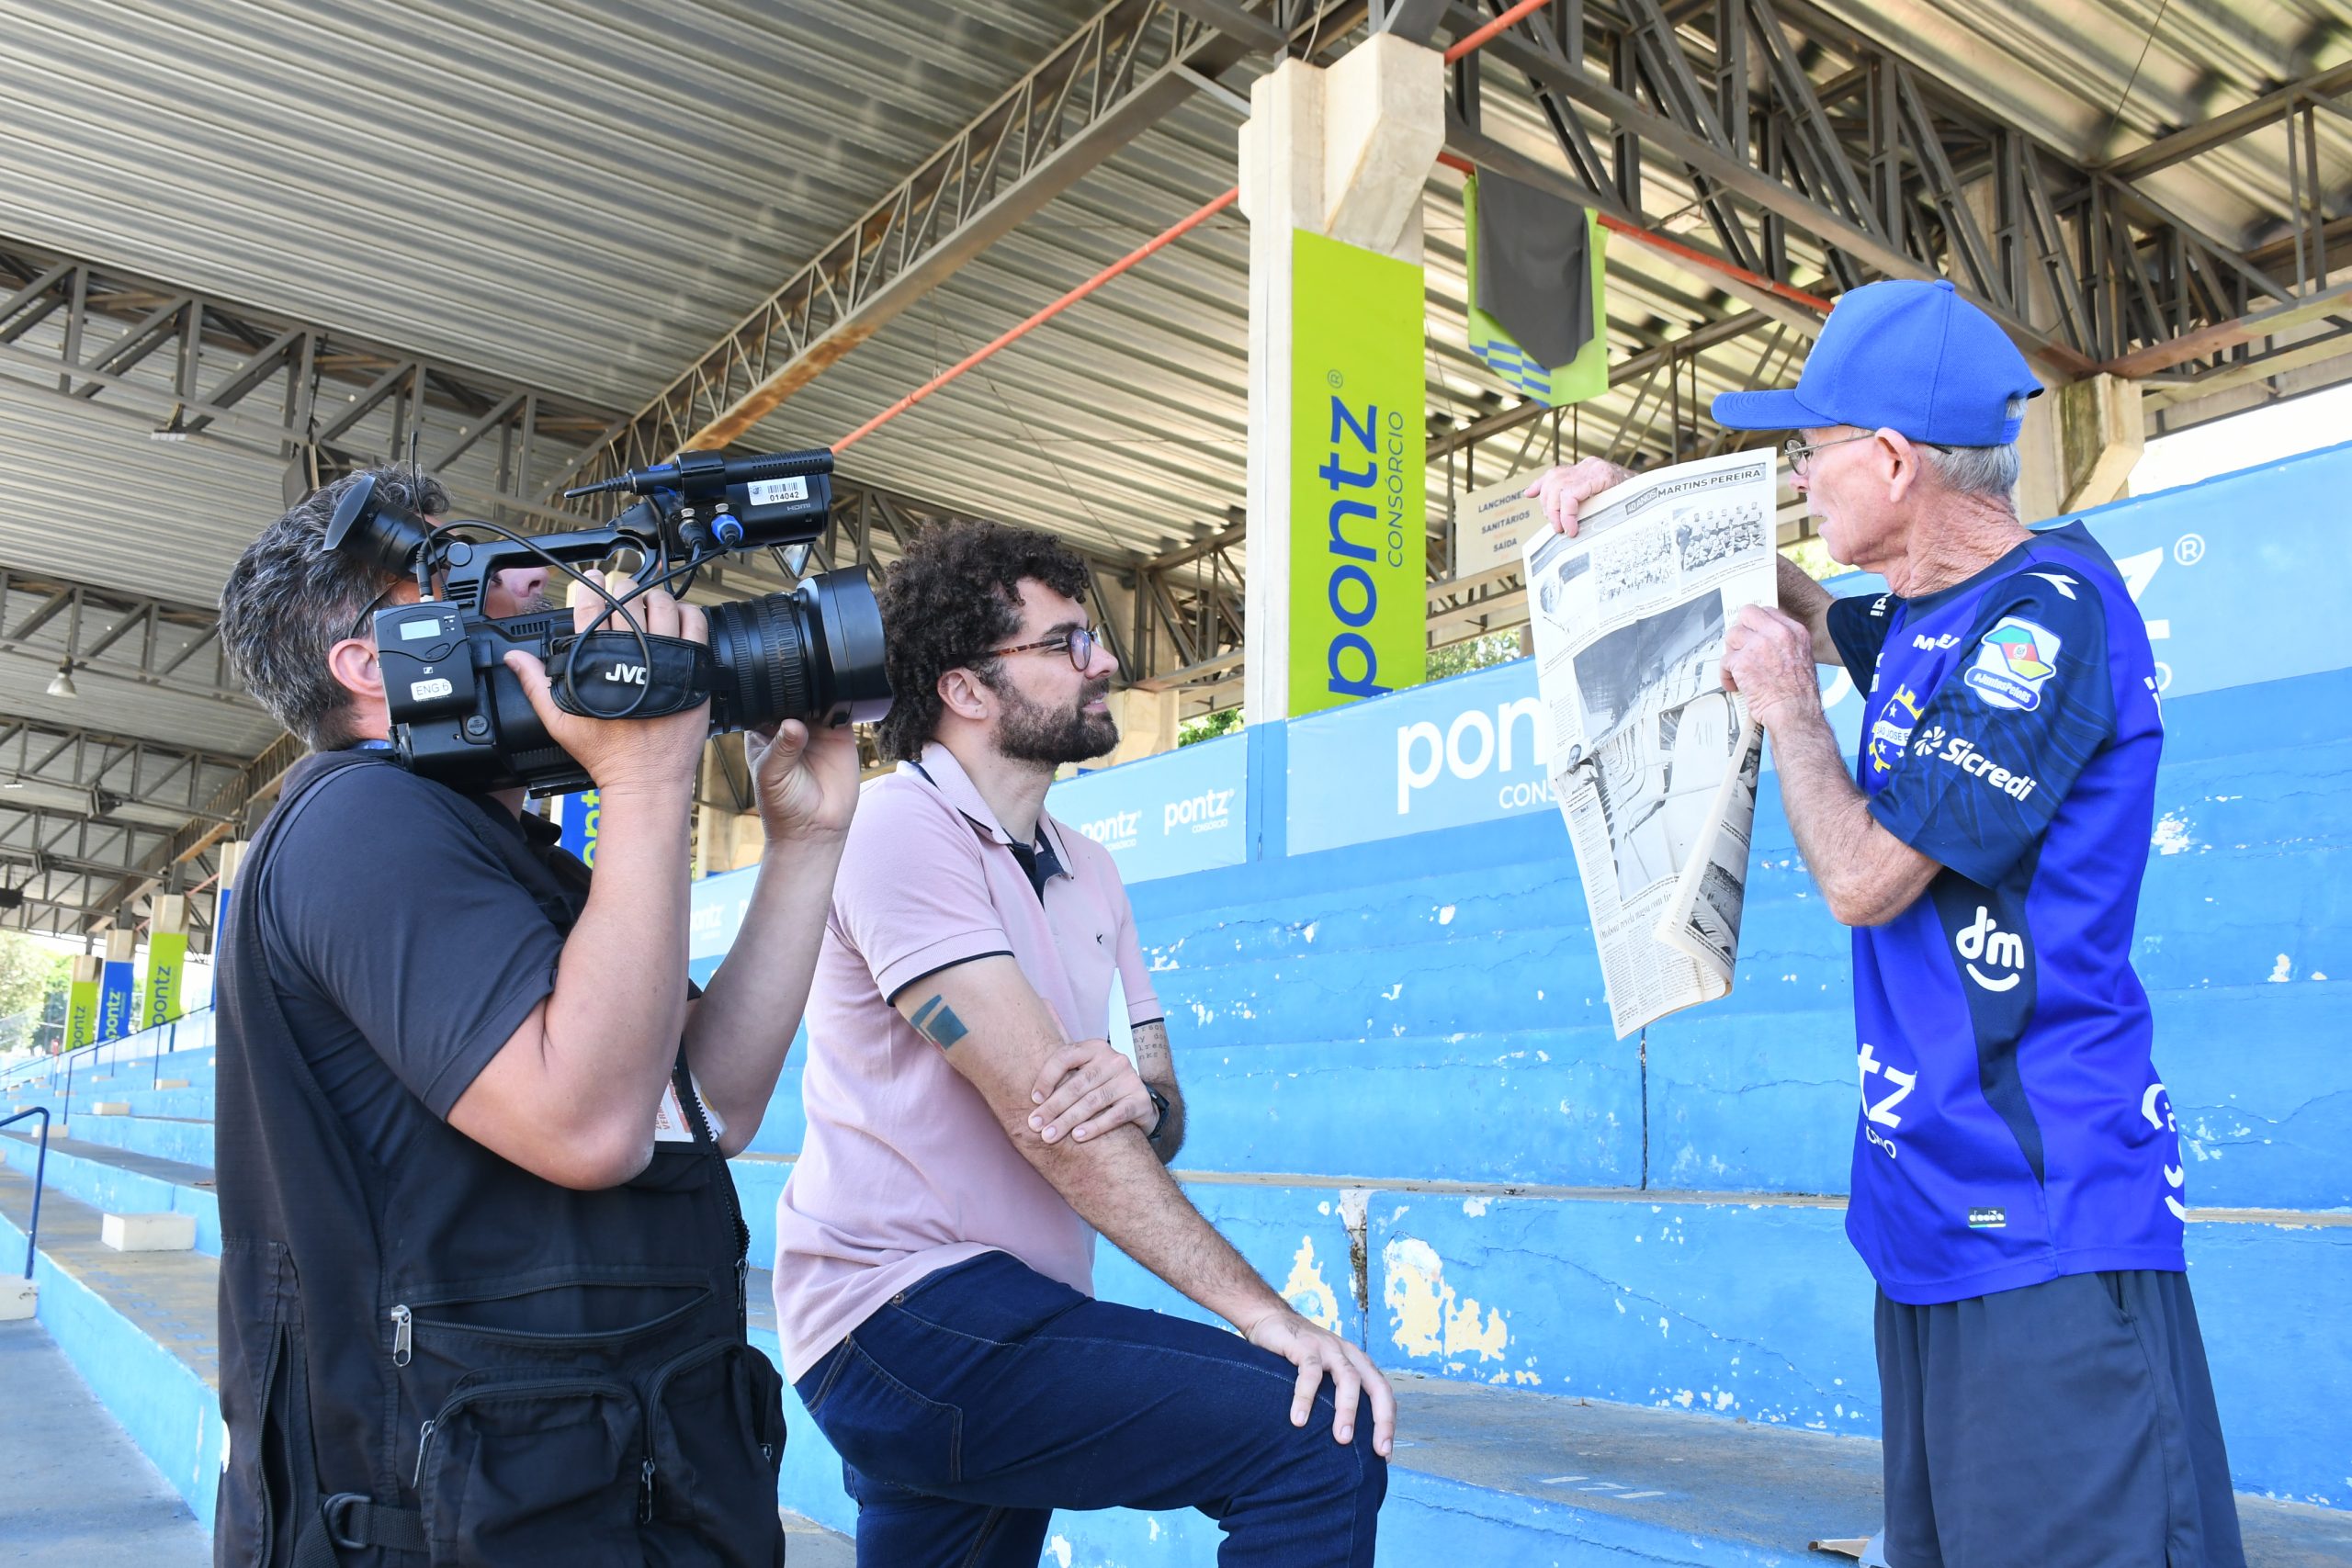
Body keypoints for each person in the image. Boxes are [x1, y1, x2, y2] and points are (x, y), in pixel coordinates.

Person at [1527, 279, 2243, 1568]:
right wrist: (1633, 508)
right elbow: (1795, 601)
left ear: (1897, 459)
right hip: (1927, 1218)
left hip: (2044, 1223)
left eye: (1812, 448)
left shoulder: (2044, 618)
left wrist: (1795, 712)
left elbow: (1863, 877)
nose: (1796, 476)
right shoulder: (1925, 607)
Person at [211, 465, 858, 1566]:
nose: (549, 598)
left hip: (600, 1472)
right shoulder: (359, 824)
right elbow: (590, 1128)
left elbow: (712, 1105)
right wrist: (648, 785)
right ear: (372, 669)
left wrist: (806, 844)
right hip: (452, 1510)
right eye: (476, 583)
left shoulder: (498, 845)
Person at [775, 519, 1392, 1567]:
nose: (1104, 662)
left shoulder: (1090, 866)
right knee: (1314, 1438)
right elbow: (1046, 1115)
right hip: (904, 1317)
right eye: (1065, 644)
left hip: (1006, 1305)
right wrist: (1263, 1314)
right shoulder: (899, 827)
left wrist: (1141, 1104)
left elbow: (1152, 1099)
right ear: (968, 690)